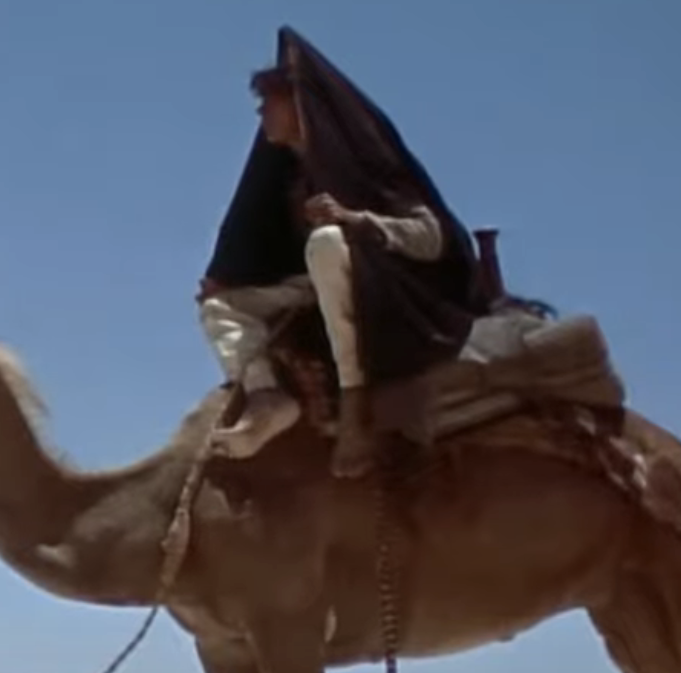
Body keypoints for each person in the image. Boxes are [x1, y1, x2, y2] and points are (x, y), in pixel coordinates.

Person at [195, 27, 487, 476]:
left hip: (395, 294)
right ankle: (267, 396)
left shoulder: (364, 160)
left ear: (300, 105)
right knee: (222, 305)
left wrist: (354, 220)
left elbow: (431, 236)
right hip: (324, 289)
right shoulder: (291, 176)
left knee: (327, 243)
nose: (261, 112)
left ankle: (356, 408)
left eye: (270, 101)